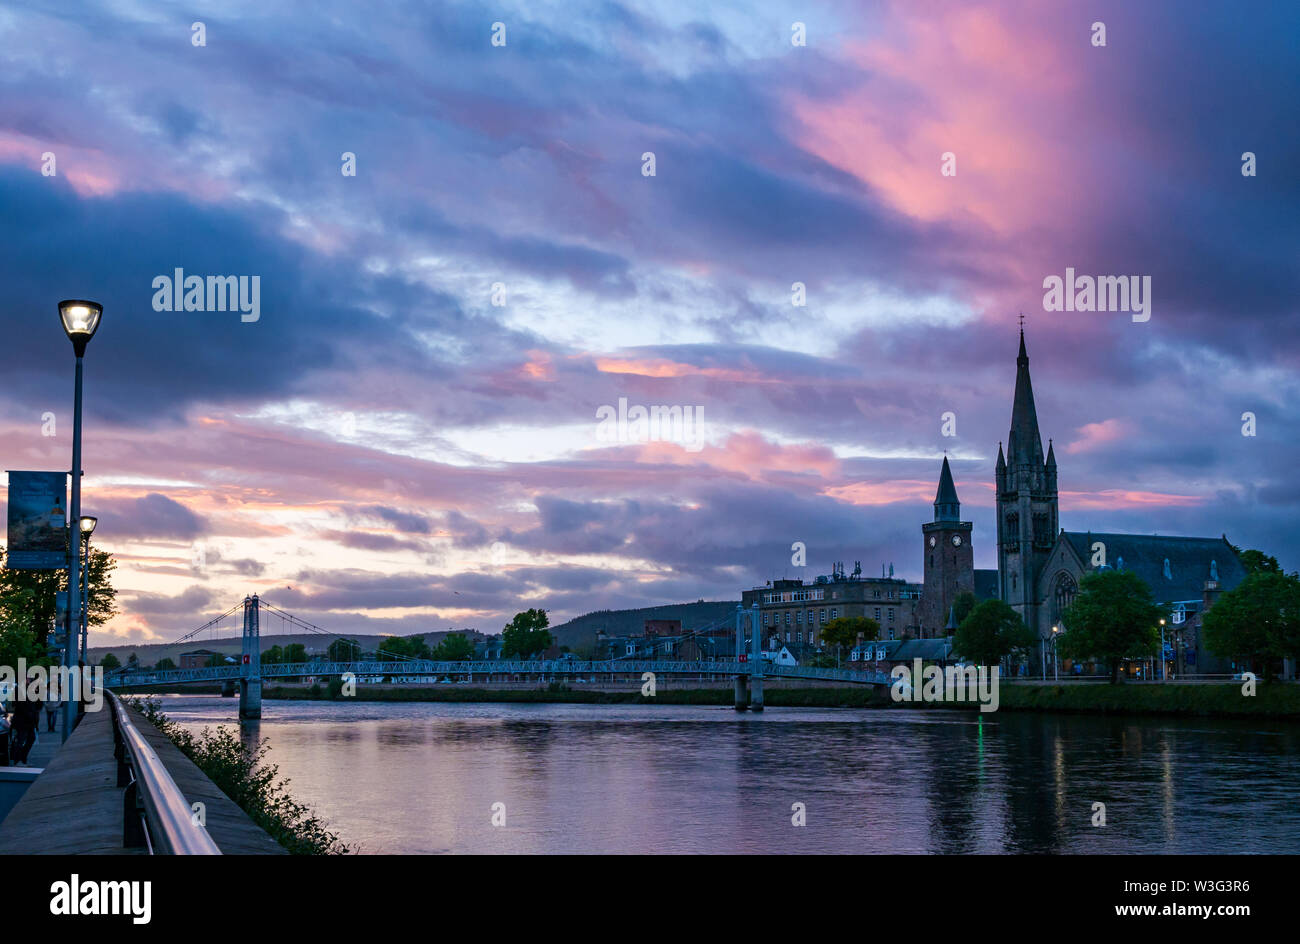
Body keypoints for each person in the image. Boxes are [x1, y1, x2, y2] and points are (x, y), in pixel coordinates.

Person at [11, 692, 41, 767]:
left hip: (30, 721)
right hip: (22, 721)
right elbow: (20, 706)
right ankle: (18, 760)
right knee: (21, 740)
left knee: (30, 739)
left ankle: (22, 759)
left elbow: (38, 705)